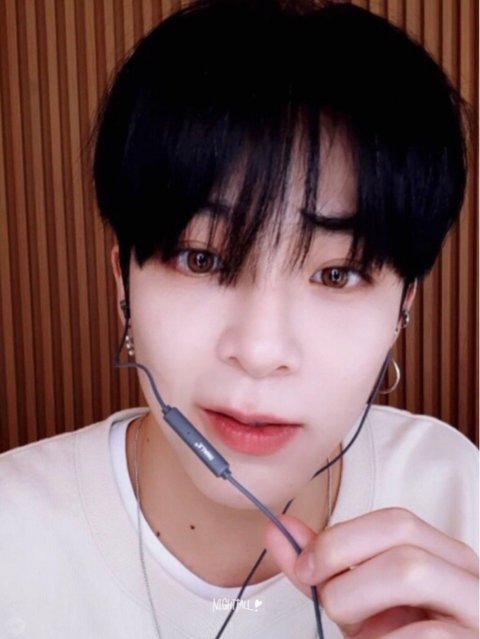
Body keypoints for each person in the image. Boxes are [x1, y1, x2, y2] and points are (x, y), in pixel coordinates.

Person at [0, 1, 477, 638]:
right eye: (201, 259)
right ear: (123, 285)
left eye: (337, 274)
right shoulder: (13, 531)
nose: (259, 350)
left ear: (403, 306)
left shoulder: (454, 492)